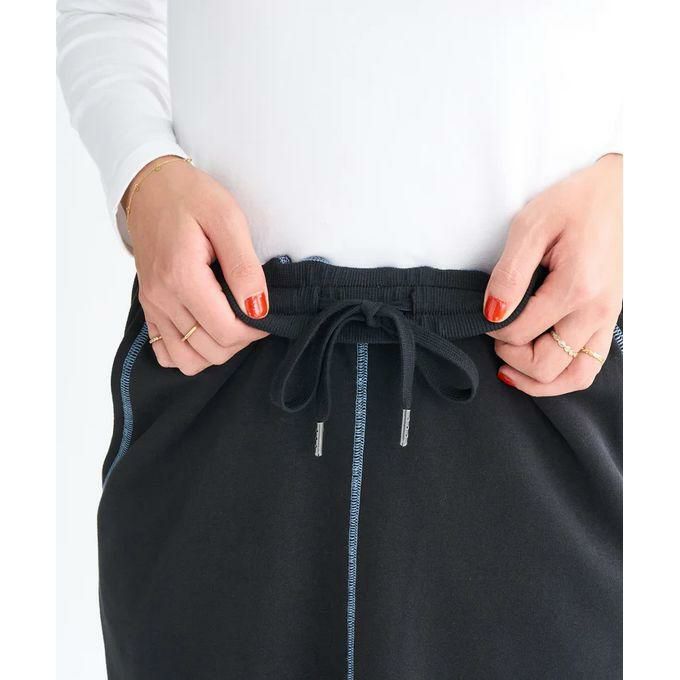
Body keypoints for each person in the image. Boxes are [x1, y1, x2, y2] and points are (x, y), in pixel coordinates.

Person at [57, 2, 623, 678]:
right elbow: (108, 11)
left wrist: (633, 180)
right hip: (224, 353)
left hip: (537, 362)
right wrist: (143, 173)